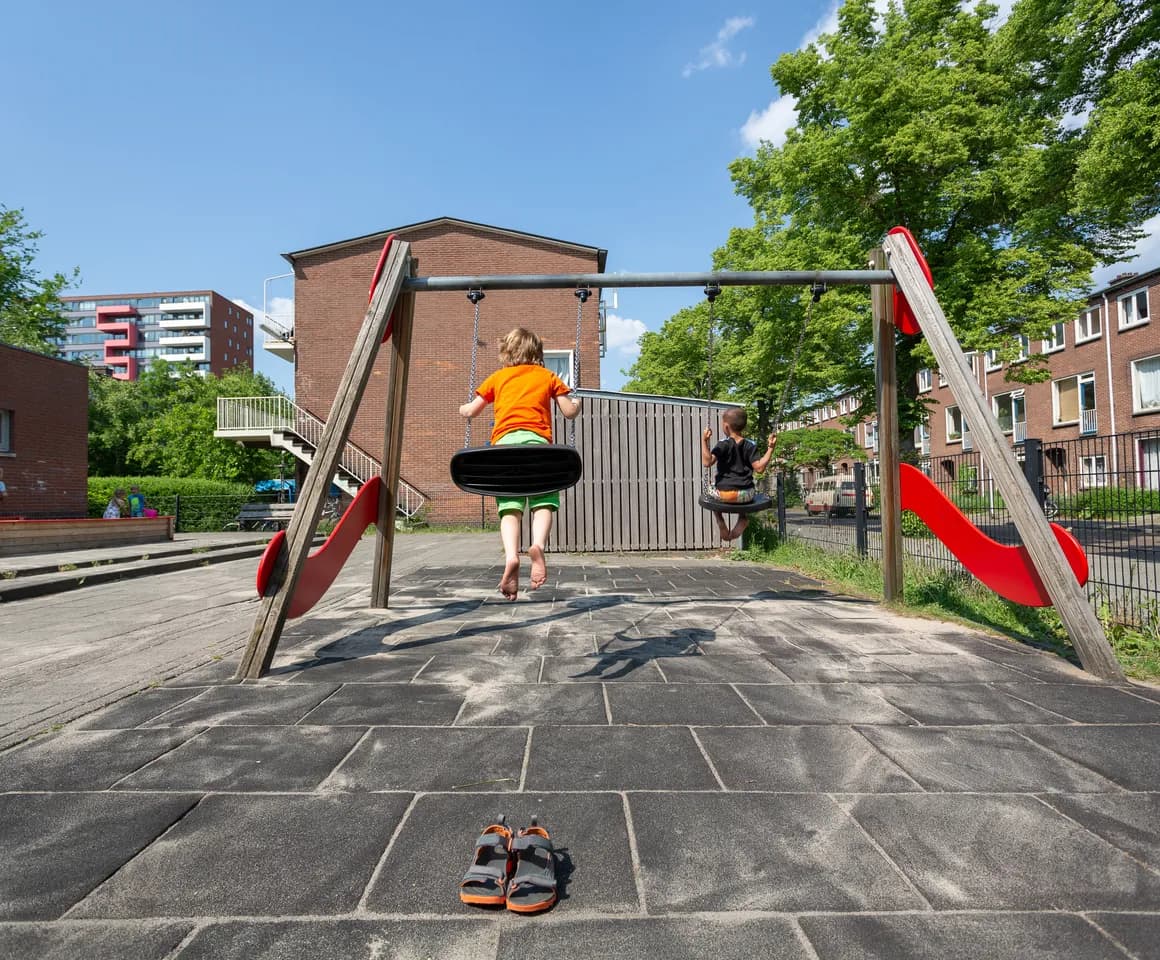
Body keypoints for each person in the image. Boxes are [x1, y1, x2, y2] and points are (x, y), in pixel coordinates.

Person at [459, 327, 581, 599]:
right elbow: (569, 412)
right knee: (543, 503)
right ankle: (537, 545)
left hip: (504, 451)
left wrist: (463, 409)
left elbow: (472, 411)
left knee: (510, 509)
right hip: (539, 450)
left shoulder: (497, 378)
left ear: (506, 352)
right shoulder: (548, 376)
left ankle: (511, 557)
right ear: (537, 353)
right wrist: (578, 403)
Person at [700, 407, 777, 543]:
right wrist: (770, 448)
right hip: (745, 496)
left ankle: (719, 519)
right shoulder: (750, 445)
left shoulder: (722, 444)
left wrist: (704, 441)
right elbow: (759, 468)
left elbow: (707, 462)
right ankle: (743, 517)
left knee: (710, 490)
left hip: (723, 495)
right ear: (744, 426)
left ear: (726, 426)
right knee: (746, 485)